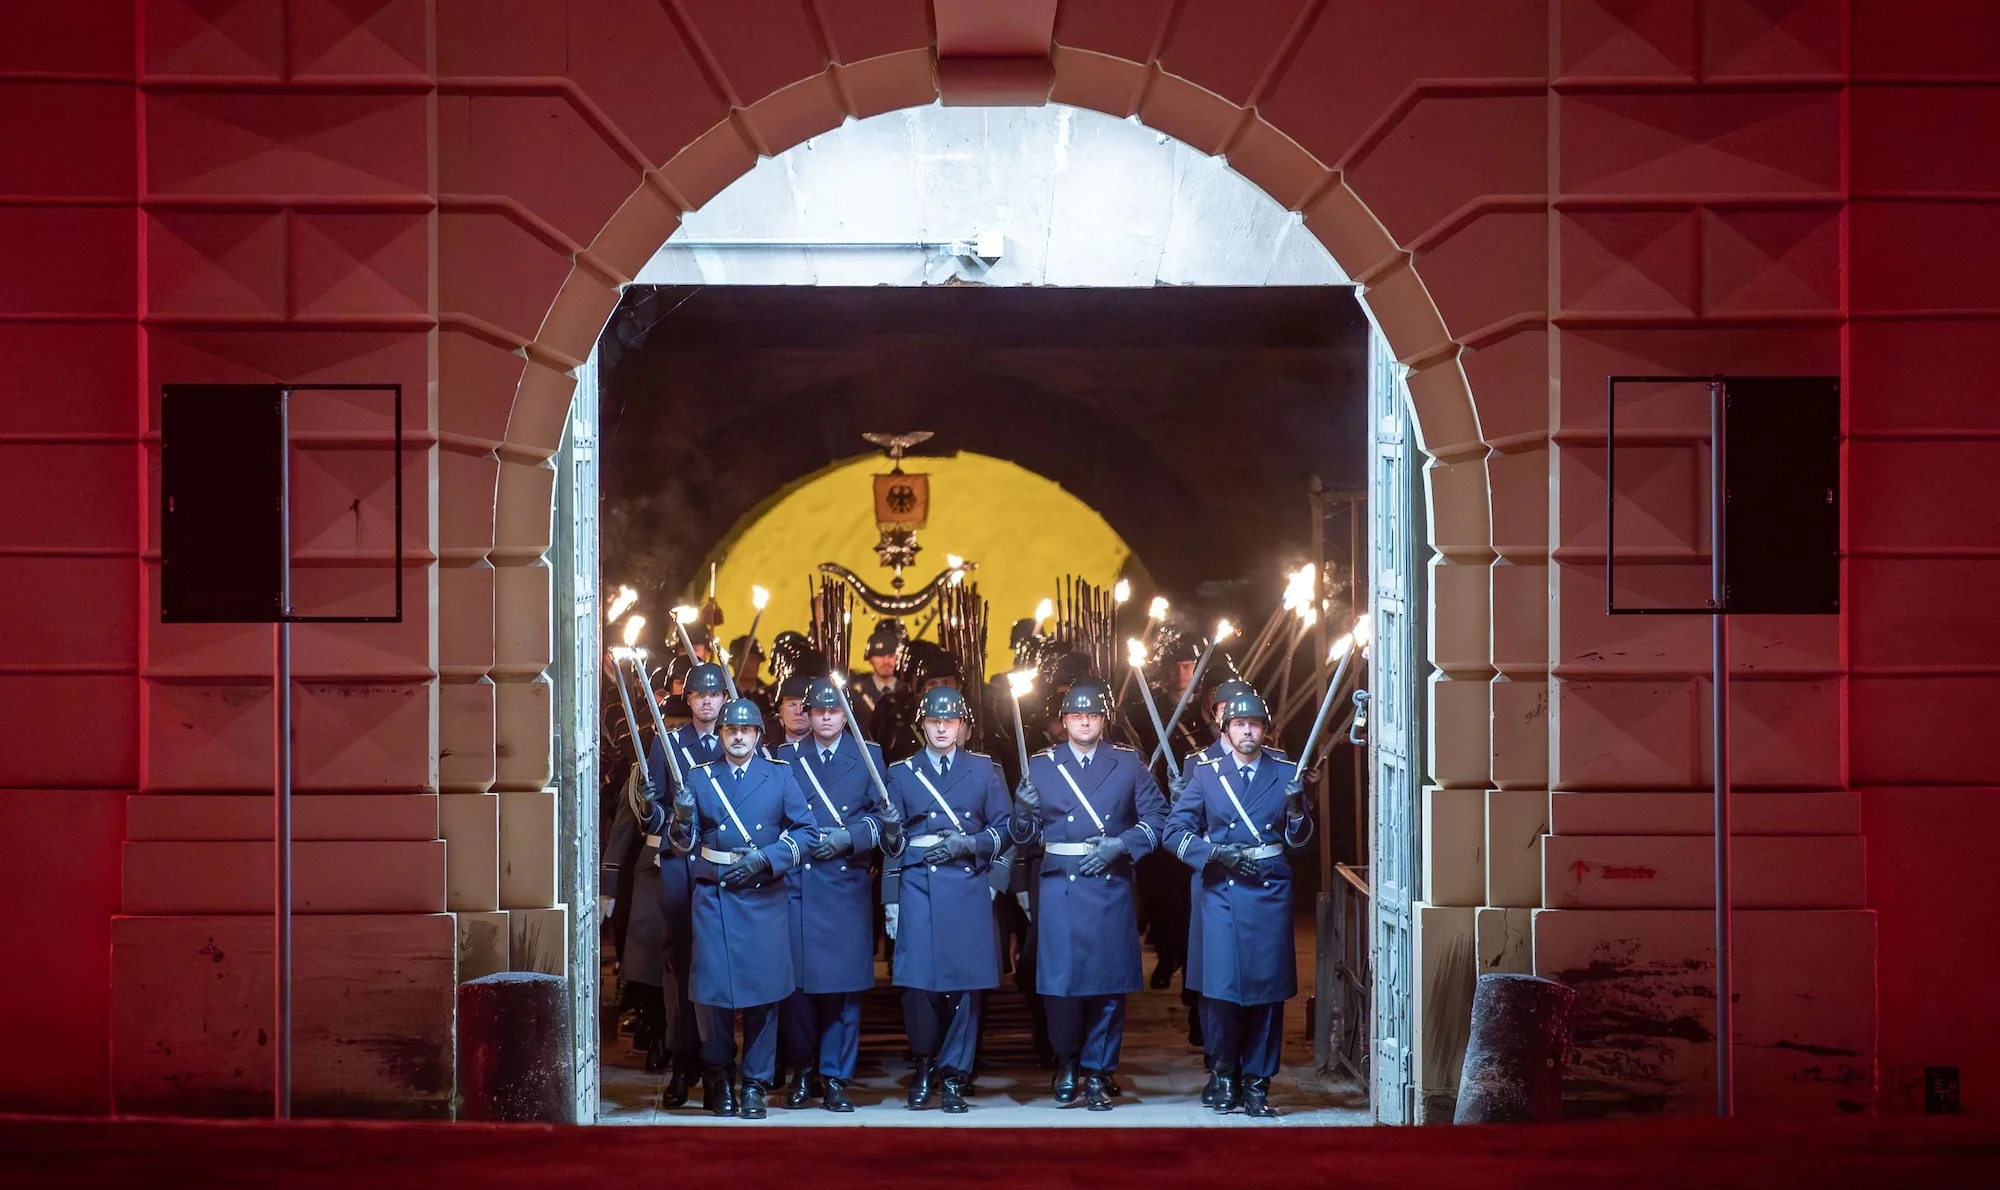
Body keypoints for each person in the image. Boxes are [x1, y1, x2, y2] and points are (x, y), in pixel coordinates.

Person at [1010, 678, 1167, 1111]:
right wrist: (1022, 813)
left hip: (1110, 883)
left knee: (1107, 984)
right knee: (1060, 985)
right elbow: (1022, 837)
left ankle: (1098, 1070)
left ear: (1103, 720)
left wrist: (1124, 844)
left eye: (1092, 714)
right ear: (1063, 722)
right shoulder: (1040, 766)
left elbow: (1158, 819)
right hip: (1061, 882)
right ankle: (1066, 1060)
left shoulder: (1128, 763)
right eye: (1076, 715)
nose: (1084, 721)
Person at [1164, 690, 1314, 1118]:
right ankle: (1225, 1073)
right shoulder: (1207, 774)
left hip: (1269, 891)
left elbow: (1301, 844)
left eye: (1255, 725)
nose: (1247, 731)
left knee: (1267, 992)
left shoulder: (1285, 772)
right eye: (1239, 725)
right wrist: (1213, 854)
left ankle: (1258, 1083)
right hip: (1222, 890)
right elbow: (1175, 831)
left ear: (1265, 730)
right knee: (1221, 990)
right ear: (1225, 729)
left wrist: (1298, 808)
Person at [665, 697, 816, 1119]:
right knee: (713, 994)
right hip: (714, 894)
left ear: (757, 735)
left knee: (764, 994)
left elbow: (807, 832)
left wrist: (768, 858)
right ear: (722, 734)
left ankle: (753, 1082)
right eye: (731, 730)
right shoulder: (701, 777)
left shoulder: (780, 776)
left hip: (763, 893)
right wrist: (679, 819)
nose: (737, 736)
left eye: (745, 731)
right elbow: (683, 842)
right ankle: (717, 1074)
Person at [881, 686, 1010, 1113]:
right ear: (922, 726)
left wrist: (972, 849)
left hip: (967, 881)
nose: (941, 727)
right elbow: (893, 844)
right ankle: (923, 1065)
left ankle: (954, 1074)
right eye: (934, 721)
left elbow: (1004, 829)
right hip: (918, 883)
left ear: (962, 727)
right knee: (918, 985)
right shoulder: (901, 772)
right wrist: (891, 897)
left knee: (966, 986)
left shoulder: (985, 770)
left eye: (949, 721)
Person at [775, 678, 901, 1112]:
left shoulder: (869, 756)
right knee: (797, 991)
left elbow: (883, 821)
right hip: (799, 885)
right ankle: (802, 1070)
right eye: (818, 711)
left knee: (843, 992)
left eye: (833, 711)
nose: (826, 717)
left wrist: (849, 838)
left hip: (844, 885)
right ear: (806, 716)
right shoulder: (785, 757)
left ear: (844, 714)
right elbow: (774, 818)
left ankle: (835, 1078)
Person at [640, 661, 732, 1107]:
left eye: (714, 695)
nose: (708, 701)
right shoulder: (668, 743)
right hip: (680, 866)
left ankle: (719, 1067)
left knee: (718, 967)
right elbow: (653, 815)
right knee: (679, 967)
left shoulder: (740, 741)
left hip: (719, 870)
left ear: (724, 700)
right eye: (700, 695)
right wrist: (653, 808)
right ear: (689, 700)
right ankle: (683, 1064)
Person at [845, 622, 901, 733]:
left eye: (890, 655)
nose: (886, 661)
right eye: (880, 656)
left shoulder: (908, 691)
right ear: (870, 658)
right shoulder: (856, 695)